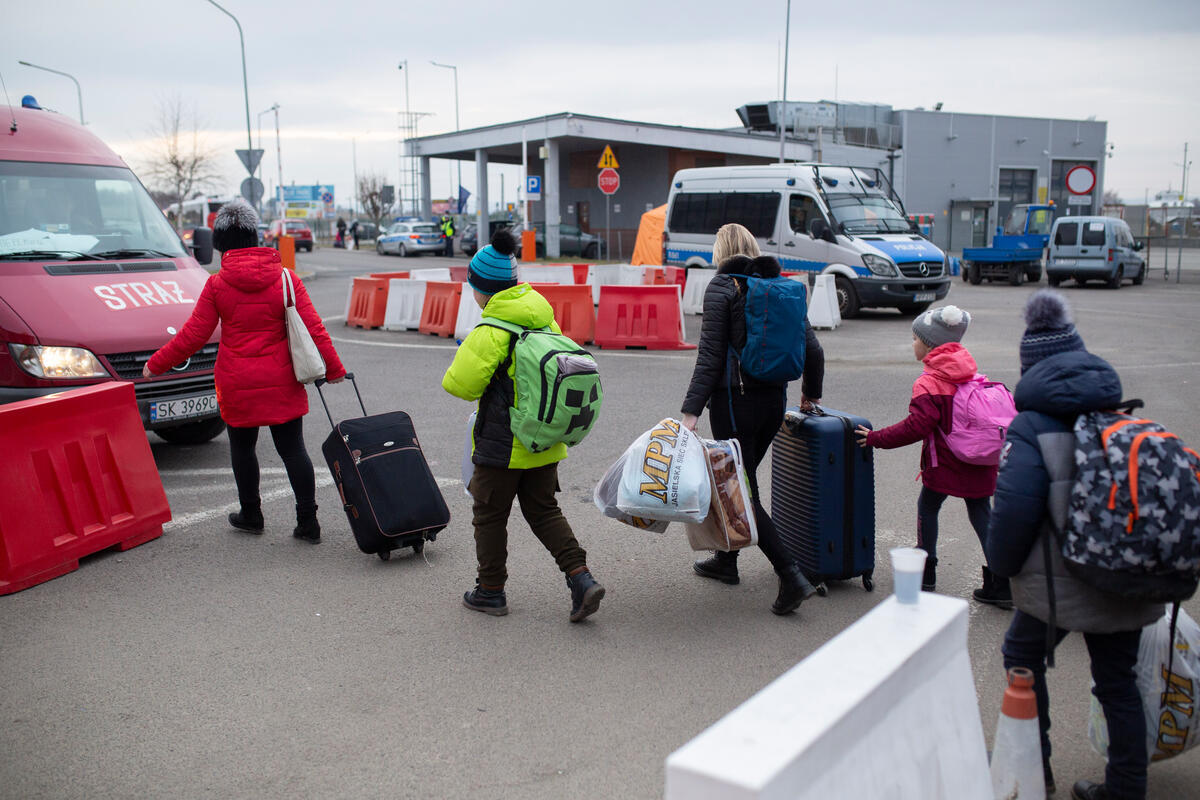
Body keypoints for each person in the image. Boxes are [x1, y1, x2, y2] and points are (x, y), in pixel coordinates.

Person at [986, 291, 1160, 800]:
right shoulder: (1119, 414)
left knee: (1021, 653)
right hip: (1126, 575)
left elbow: (1014, 511)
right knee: (1117, 680)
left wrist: (1001, 566)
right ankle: (1127, 787)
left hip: (1060, 584)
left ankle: (1034, 768)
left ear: (1030, 368)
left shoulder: (1031, 427)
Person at [143, 198, 346, 543]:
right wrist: (335, 368)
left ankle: (251, 514)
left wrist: (155, 364)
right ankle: (308, 522)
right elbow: (315, 329)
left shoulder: (217, 285)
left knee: (243, 447)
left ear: (220, 243)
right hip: (283, 378)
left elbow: (194, 334)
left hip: (237, 382)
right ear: (255, 236)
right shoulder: (286, 279)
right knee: (293, 448)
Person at [442, 228, 604, 622]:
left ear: (483, 290)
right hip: (544, 442)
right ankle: (581, 578)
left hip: (503, 445)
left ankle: (490, 590)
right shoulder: (543, 320)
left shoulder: (492, 329)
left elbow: (459, 384)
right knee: (544, 510)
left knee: (489, 515)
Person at [680, 222, 824, 615]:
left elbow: (709, 357)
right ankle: (727, 561)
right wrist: (811, 393)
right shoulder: (779, 288)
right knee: (742, 481)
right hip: (773, 403)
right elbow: (813, 349)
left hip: (734, 404)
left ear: (721, 250)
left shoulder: (723, 287)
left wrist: (690, 412)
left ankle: (790, 573)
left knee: (740, 490)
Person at [854, 304, 1007, 605]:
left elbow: (916, 427)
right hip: (981, 461)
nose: (912, 344)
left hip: (946, 464)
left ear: (929, 344)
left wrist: (875, 438)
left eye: (915, 339)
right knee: (981, 513)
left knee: (927, 507)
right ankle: (1001, 582)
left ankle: (926, 572)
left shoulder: (929, 382)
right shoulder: (969, 372)